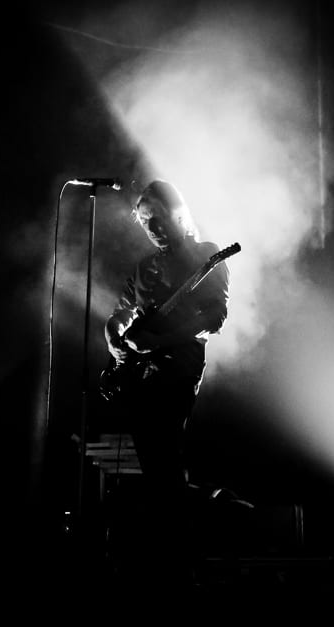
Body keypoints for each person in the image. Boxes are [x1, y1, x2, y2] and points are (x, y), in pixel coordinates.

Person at [103, 179, 230, 584]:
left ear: (178, 213)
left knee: (166, 455)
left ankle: (180, 559)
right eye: (144, 222)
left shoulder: (207, 254)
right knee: (154, 463)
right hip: (140, 373)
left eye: (156, 218)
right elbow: (123, 313)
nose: (152, 228)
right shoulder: (144, 268)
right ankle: (172, 551)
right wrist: (112, 336)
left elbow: (214, 318)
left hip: (179, 367)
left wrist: (160, 341)